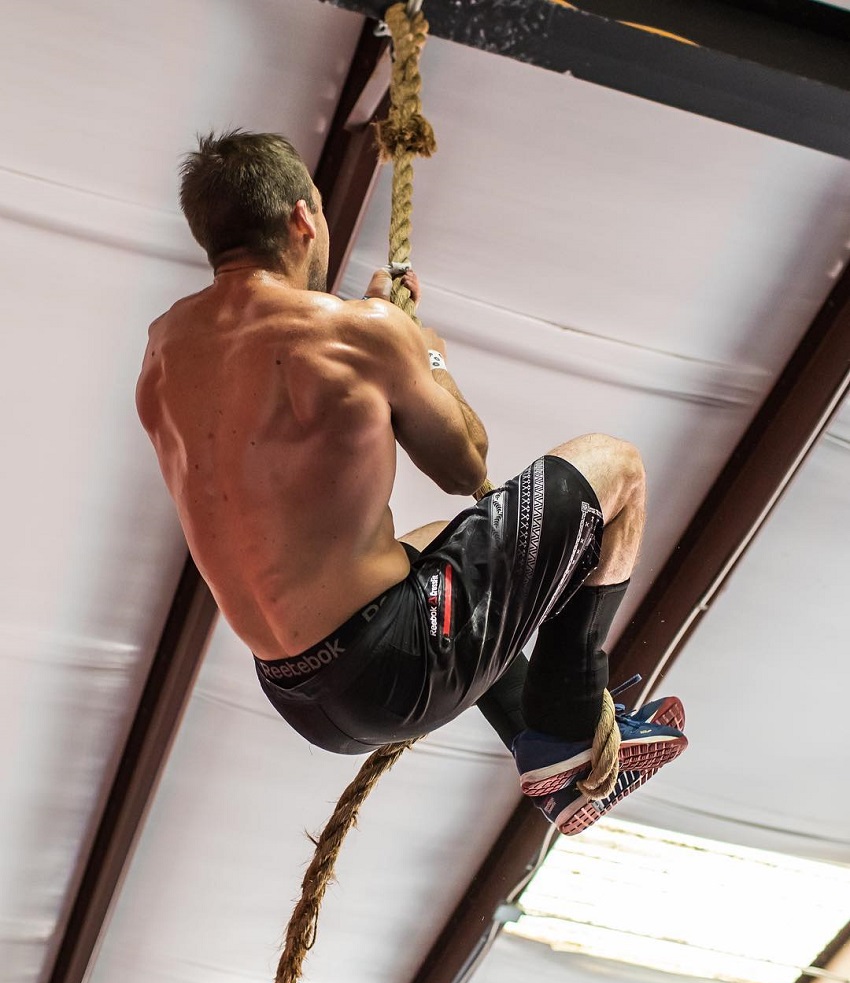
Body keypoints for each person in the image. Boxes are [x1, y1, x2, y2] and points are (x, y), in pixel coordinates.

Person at [136, 130, 687, 836]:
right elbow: (467, 468)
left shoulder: (161, 357)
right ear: (304, 217)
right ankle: (572, 718)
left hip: (294, 692)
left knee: (431, 546)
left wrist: (380, 328)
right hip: (393, 669)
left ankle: (531, 731)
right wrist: (422, 348)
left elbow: (273, 378)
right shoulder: (360, 335)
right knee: (618, 468)